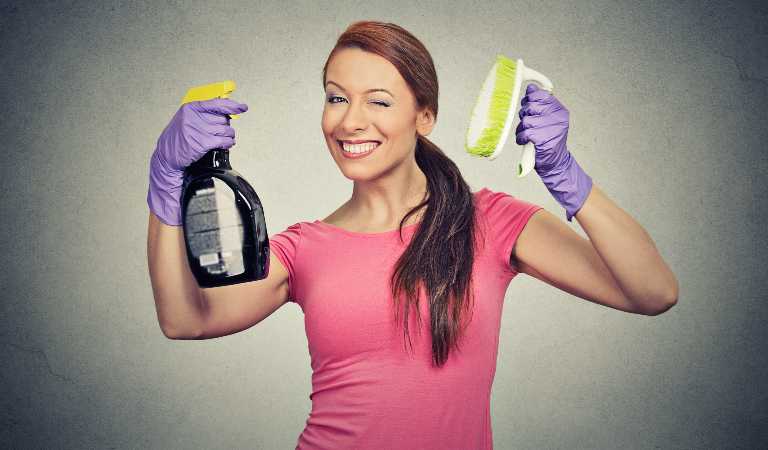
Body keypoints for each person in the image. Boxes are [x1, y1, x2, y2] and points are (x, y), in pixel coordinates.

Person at [146, 20, 679, 450]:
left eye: (378, 101)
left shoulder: (490, 222)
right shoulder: (302, 248)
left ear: (424, 115)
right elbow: (185, 319)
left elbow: (652, 292)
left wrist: (567, 175)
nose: (350, 121)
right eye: (336, 98)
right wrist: (166, 184)